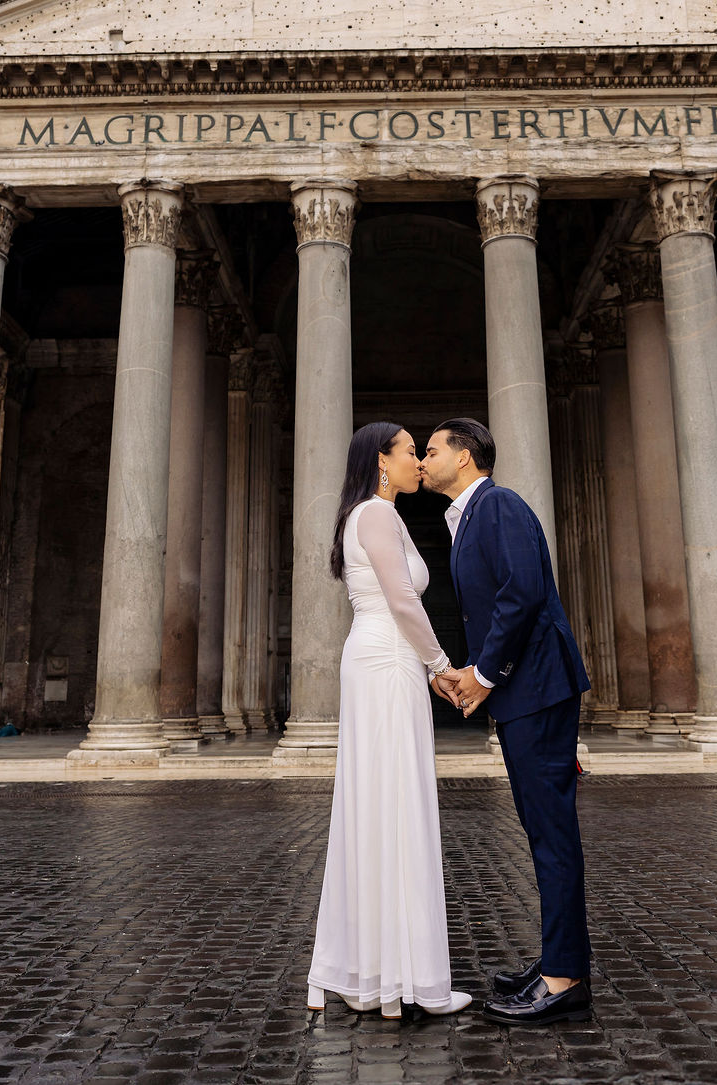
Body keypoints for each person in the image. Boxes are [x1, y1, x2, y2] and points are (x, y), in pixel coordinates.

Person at [424, 418, 595, 1026]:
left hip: (539, 688)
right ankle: (557, 961)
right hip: (527, 689)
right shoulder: (473, 513)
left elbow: (522, 594)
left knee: (552, 832)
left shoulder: (499, 505)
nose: (423, 459)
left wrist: (483, 673)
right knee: (543, 830)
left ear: (465, 457)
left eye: (432, 449)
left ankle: (564, 978)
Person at [305, 422, 474, 1021]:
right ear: (382, 461)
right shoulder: (375, 515)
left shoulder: (374, 515)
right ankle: (403, 976)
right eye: (410, 453)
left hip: (382, 658)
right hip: (387, 660)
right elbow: (404, 600)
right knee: (394, 806)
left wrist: (428, 666)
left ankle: (372, 970)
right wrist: (443, 665)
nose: (420, 463)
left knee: (378, 808)